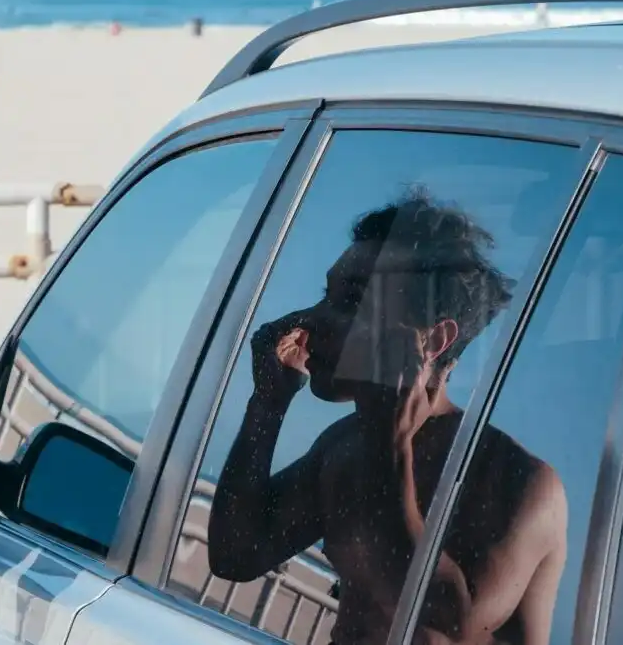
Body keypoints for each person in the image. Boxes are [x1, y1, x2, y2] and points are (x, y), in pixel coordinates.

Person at [208, 194, 569, 645]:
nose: (314, 320)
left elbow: (439, 626)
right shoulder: (345, 446)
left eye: (350, 301)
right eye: (327, 294)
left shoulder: (517, 481)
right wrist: (268, 403)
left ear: (433, 339)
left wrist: (388, 447)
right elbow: (236, 554)